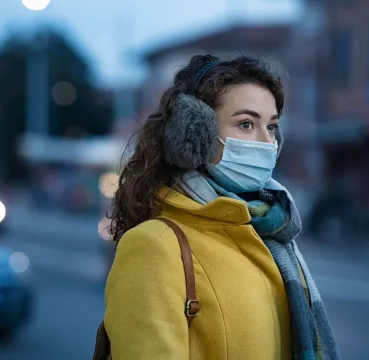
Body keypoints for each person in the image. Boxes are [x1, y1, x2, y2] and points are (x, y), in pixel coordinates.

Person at [104, 54, 340, 360]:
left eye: (271, 126)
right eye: (246, 124)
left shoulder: (270, 234)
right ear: (194, 134)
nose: (265, 142)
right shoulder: (154, 246)